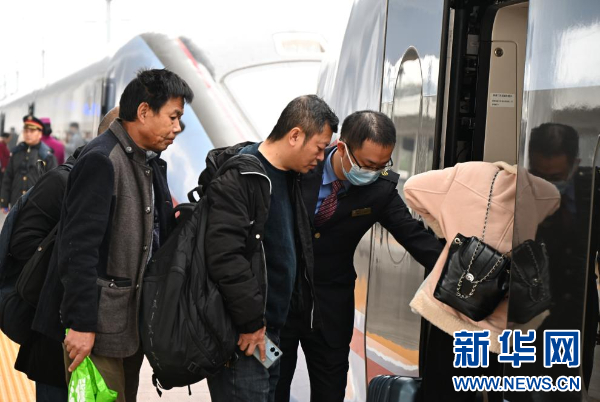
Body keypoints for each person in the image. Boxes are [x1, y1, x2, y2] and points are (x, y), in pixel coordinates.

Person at [31, 69, 193, 402]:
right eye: (173, 117)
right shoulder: (102, 160)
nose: (178, 127)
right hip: (97, 329)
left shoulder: (146, 162)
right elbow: (78, 249)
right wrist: (81, 325)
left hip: (126, 327)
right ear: (144, 111)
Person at [274, 110, 443, 402]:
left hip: (331, 309)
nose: (373, 172)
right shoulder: (300, 167)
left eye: (381, 166)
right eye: (367, 164)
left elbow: (415, 237)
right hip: (281, 303)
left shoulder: (380, 190)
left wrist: (466, 273)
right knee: (272, 388)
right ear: (342, 148)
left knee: (331, 392)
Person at [203, 94, 338, 402]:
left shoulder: (289, 177)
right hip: (243, 335)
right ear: (295, 135)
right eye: (319, 148)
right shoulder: (244, 176)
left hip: (270, 333)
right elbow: (225, 256)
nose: (321, 158)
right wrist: (250, 323)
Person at [403, 161, 560, 401]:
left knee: (443, 393)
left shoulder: (463, 174)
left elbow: (412, 188)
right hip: (506, 326)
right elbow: (555, 200)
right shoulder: (538, 189)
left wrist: (447, 233)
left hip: (454, 314)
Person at [11, 107, 120, 402]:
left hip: (91, 333)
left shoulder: (117, 182)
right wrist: (66, 256)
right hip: (54, 328)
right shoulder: (60, 182)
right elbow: (22, 244)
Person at [526, 122, 599, 394]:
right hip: (529, 310)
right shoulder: (518, 191)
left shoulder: (592, 191)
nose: (547, 184)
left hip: (576, 309)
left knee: (569, 389)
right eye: (539, 175)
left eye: (555, 176)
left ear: (575, 164)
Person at [0, 116, 57, 211]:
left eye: (32, 131)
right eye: (26, 131)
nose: (28, 134)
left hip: (37, 205)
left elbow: (52, 183)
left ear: (40, 133)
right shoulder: (16, 153)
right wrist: (4, 201)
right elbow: (8, 178)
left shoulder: (47, 156)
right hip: (16, 203)